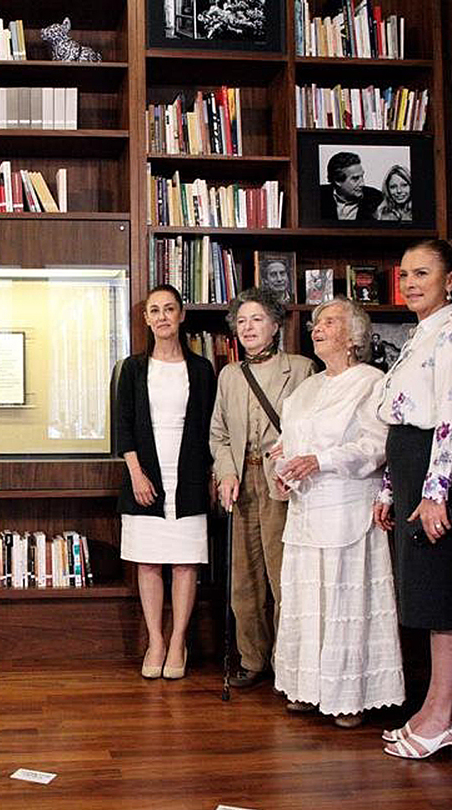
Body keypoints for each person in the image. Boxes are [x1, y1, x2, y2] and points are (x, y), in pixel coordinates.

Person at [271, 297, 404, 727]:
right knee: (309, 601)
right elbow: (287, 444)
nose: (318, 328)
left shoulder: (371, 382)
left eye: (329, 322)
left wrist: (321, 460)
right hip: (306, 511)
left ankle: (350, 696)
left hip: (347, 508)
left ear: (353, 337)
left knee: (346, 601)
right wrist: (283, 471)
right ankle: (309, 689)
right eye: (316, 322)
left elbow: (376, 446)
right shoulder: (304, 389)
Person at [374, 239, 452, 759]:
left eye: (422, 274)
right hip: (411, 467)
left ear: (450, 280)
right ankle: (436, 712)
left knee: (443, 599)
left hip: (437, 475)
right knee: (426, 599)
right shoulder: (419, 335)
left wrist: (435, 492)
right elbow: (399, 418)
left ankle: (442, 718)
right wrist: (390, 487)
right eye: (405, 275)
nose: (410, 284)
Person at [209, 289, 313, 688]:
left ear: (275, 325)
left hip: (282, 484)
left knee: (283, 576)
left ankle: (287, 664)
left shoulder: (301, 369)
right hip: (241, 483)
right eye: (241, 321)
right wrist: (226, 473)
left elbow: (311, 429)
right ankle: (252, 658)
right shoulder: (229, 375)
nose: (248, 327)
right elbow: (219, 434)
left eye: (256, 319)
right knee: (244, 580)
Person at [116, 285, 216, 680]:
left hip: (188, 475)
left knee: (185, 563)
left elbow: (211, 427)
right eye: (154, 310)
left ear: (181, 315)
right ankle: (155, 640)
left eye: (169, 309)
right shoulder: (132, 369)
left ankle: (178, 641)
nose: (162, 317)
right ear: (146, 319)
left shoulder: (202, 369)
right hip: (145, 475)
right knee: (149, 562)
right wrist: (136, 473)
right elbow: (123, 426)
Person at [319, 151, 383, 221]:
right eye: (355, 178)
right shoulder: (318, 195)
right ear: (338, 181)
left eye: (362, 176)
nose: (362, 184)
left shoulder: (377, 199)